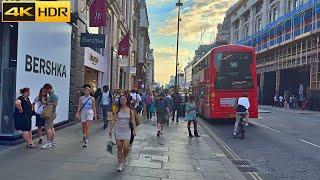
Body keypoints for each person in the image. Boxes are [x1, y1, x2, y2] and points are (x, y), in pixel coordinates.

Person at [109, 95, 136, 172]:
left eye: (124, 99)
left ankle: (125, 157)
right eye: (121, 99)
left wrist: (134, 130)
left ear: (127, 100)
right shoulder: (118, 109)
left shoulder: (130, 110)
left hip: (127, 131)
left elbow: (133, 121)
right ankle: (120, 164)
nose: (122, 100)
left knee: (126, 147)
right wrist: (110, 130)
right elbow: (113, 119)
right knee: (119, 147)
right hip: (118, 130)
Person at [41, 83, 58, 149]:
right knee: (51, 127)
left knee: (48, 128)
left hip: (50, 114)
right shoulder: (51, 95)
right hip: (51, 113)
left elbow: (55, 104)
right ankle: (52, 142)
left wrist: (46, 103)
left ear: (49, 89)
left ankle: (49, 143)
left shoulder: (54, 95)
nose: (45, 91)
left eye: (46, 90)